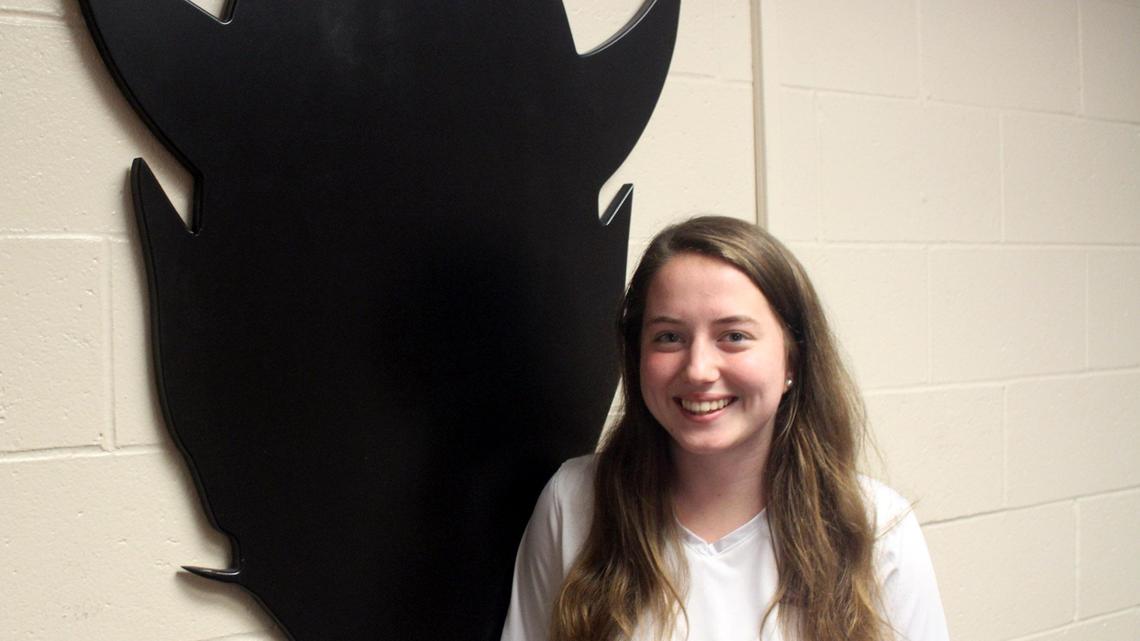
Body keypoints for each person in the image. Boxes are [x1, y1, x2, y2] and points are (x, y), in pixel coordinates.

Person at [500, 216, 949, 641]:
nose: (698, 369)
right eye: (669, 337)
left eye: (733, 336)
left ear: (793, 360)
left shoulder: (877, 529)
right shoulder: (575, 502)